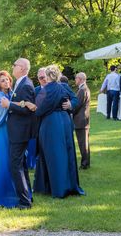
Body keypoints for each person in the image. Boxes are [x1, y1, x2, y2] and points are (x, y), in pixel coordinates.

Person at [33, 65, 84, 198]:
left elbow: (38, 110)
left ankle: (55, 187)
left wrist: (70, 104)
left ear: (49, 76)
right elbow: (75, 98)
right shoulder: (63, 87)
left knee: (53, 154)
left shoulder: (46, 90)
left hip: (51, 123)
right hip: (65, 121)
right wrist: (70, 104)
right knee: (66, 152)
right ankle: (69, 185)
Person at [0, 58, 35, 209]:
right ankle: (27, 197)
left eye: (14, 65)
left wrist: (9, 105)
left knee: (15, 166)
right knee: (21, 165)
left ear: (21, 68)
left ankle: (24, 202)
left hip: (20, 132)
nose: (12, 67)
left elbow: (27, 110)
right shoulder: (20, 83)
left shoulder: (26, 85)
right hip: (17, 131)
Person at [0, 70, 19, 207]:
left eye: (7, 79)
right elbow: (6, 109)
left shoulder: (11, 93)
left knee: (11, 163)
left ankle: (13, 193)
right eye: (3, 81)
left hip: (10, 132)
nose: (6, 82)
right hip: (0, 132)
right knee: (2, 164)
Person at [73, 72, 91, 170]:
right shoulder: (83, 89)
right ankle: (86, 162)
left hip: (81, 120)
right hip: (83, 120)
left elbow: (77, 105)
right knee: (84, 143)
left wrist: (70, 110)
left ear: (80, 79)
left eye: (76, 78)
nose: (75, 80)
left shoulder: (82, 90)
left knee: (83, 143)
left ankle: (84, 164)